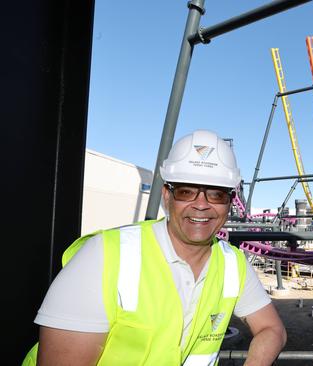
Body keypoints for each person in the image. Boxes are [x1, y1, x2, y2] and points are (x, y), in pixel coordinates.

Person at [24, 130, 286, 365]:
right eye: (186, 191)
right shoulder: (104, 257)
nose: (201, 204)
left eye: (216, 194)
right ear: (166, 196)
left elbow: (272, 330)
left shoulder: (232, 264)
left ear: (229, 203)